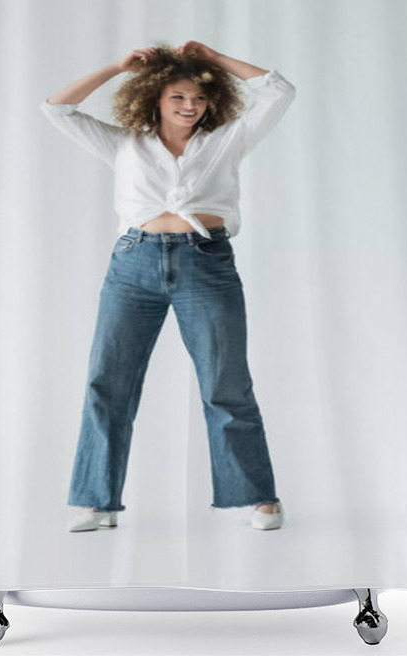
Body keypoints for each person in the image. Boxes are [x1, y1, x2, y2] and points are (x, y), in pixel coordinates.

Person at [39, 41, 297, 533]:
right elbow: (57, 108)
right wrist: (117, 67)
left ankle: (258, 497)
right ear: (155, 98)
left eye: (198, 98)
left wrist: (215, 59)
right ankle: (97, 500)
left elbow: (278, 91)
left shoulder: (227, 138)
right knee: (108, 383)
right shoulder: (124, 143)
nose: (189, 106)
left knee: (225, 384)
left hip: (206, 264)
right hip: (133, 265)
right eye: (178, 97)